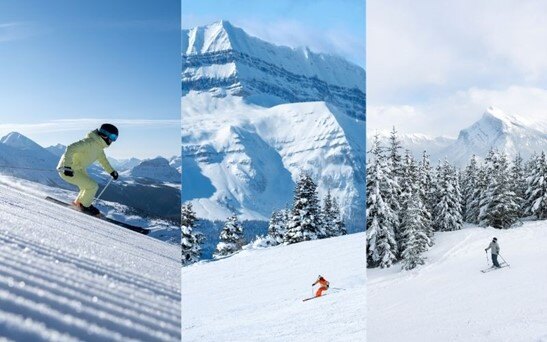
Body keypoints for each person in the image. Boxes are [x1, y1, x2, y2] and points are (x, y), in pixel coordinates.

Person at [57, 124, 119, 216]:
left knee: (86, 187)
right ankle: (84, 206)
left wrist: (111, 171)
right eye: (113, 137)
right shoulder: (89, 142)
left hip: (77, 169)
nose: (113, 140)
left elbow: (104, 161)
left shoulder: (99, 148)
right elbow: (71, 147)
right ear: (104, 134)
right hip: (67, 169)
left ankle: (78, 204)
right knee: (93, 186)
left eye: (115, 138)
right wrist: (67, 166)